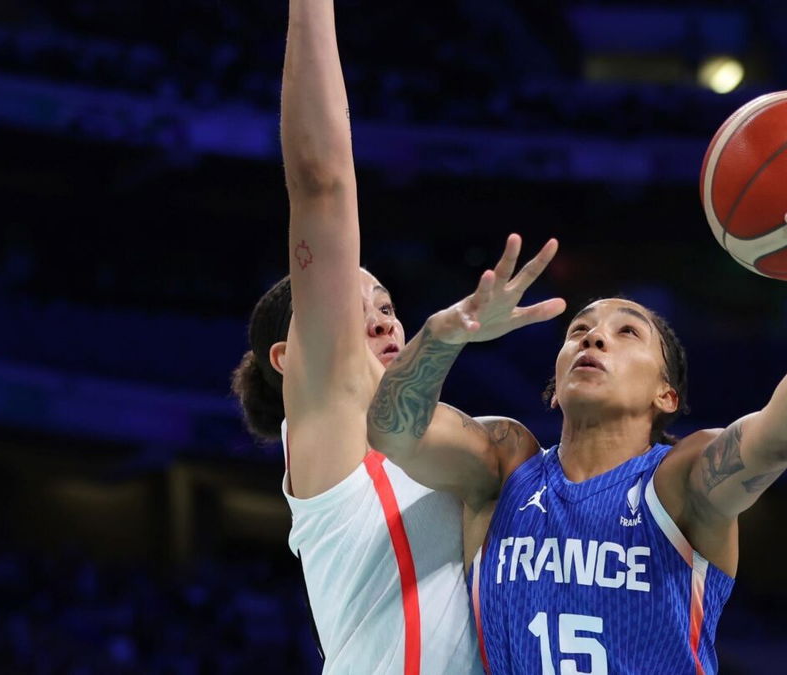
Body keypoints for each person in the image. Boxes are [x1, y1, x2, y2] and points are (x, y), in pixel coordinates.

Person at [365, 144, 787, 673]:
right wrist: (443, 334)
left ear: (665, 395)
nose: (594, 339)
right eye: (579, 331)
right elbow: (392, 433)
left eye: (627, 333)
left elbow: (782, 434)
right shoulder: (506, 465)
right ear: (554, 385)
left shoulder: (680, 481)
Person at [229, 1, 561, 671]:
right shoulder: (326, 421)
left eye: (386, 303)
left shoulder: (469, 440)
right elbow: (321, 185)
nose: (382, 318)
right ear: (292, 360)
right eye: (353, 311)